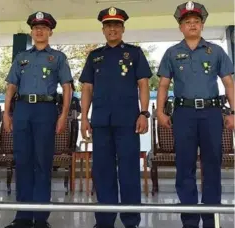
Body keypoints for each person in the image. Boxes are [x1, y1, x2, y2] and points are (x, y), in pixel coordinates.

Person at [156, 1, 234, 228]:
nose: (192, 25)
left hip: (211, 113)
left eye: (196, 22)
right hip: (184, 114)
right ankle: (189, 221)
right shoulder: (172, 53)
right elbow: (162, 85)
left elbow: (229, 83)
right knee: (184, 165)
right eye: (187, 22)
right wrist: (160, 112)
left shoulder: (216, 51)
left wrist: (234, 112)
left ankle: (211, 220)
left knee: (212, 164)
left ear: (202, 25)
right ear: (180, 27)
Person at [79, 6, 152, 228]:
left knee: (129, 171)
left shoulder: (135, 53)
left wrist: (143, 113)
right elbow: (87, 89)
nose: (113, 29)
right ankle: (104, 221)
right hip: (101, 122)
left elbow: (143, 84)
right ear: (103, 30)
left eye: (117, 25)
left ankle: (131, 221)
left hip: (128, 122)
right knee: (102, 172)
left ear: (122, 29)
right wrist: (83, 117)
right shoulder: (95, 56)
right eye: (109, 25)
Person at [3, 11, 73, 228]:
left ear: (50, 31)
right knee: (23, 161)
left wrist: (63, 115)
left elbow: (67, 87)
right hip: (22, 109)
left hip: (46, 109)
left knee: (43, 162)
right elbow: (11, 86)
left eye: (43, 27)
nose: (39, 31)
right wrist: (6, 113)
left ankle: (41, 218)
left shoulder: (58, 58)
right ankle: (23, 217)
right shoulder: (21, 58)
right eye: (35, 28)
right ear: (32, 32)